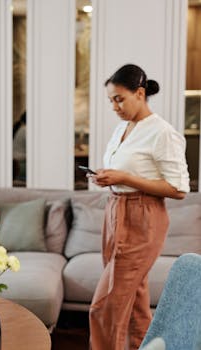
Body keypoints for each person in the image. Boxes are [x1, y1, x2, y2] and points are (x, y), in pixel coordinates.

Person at [88, 64, 190, 350]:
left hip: (142, 217)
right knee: (134, 300)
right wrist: (108, 177)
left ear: (140, 93)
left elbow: (179, 189)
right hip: (116, 211)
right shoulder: (124, 127)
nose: (114, 106)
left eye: (119, 98)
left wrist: (124, 177)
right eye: (111, 100)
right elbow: (125, 172)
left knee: (105, 306)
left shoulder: (162, 133)